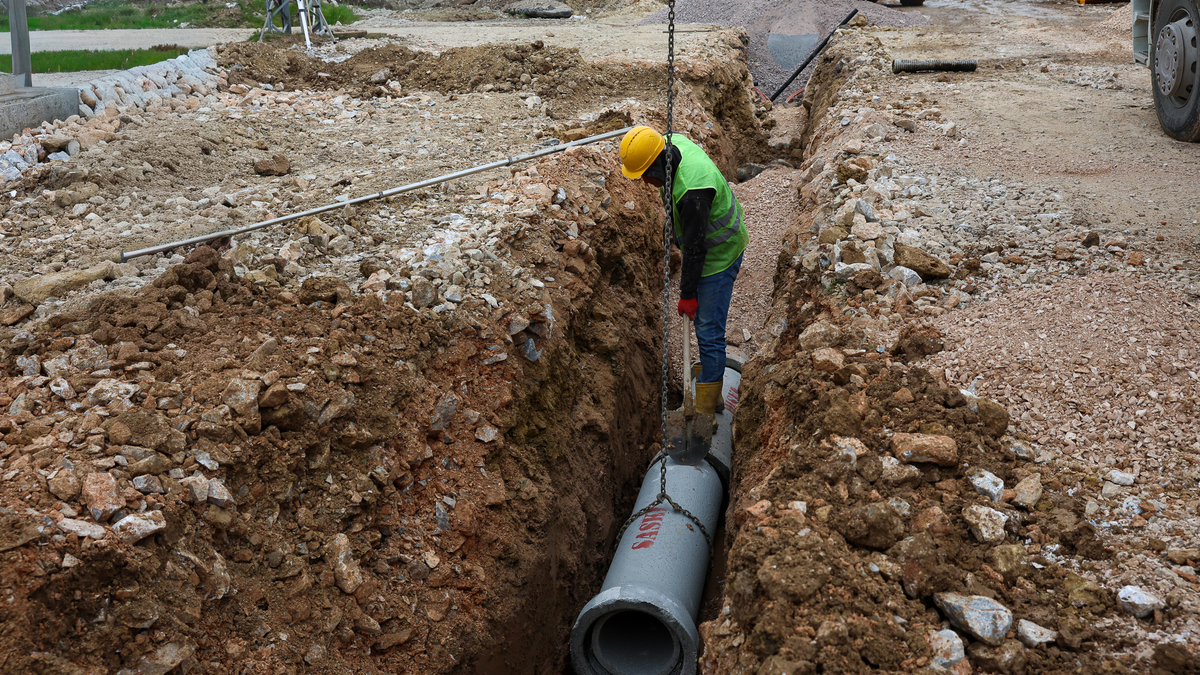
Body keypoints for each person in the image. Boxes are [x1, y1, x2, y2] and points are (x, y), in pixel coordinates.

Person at [618, 125, 748, 414]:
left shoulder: (693, 192)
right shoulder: (668, 144)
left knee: (708, 329)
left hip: (720, 252)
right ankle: (708, 386)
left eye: (643, 177)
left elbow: (695, 249)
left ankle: (706, 409)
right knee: (705, 325)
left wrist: (687, 294)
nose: (643, 184)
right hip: (705, 243)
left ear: (656, 168)